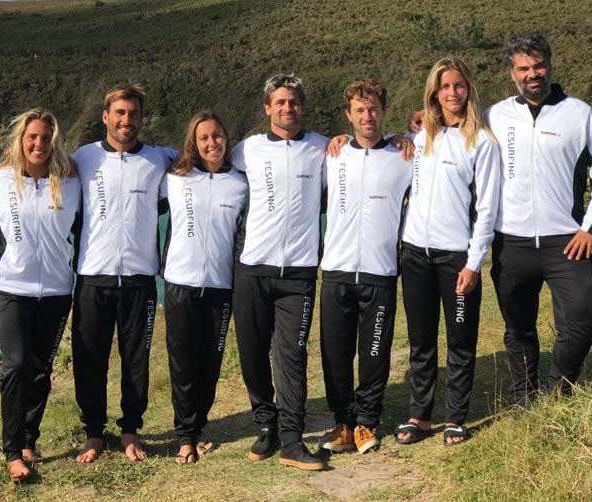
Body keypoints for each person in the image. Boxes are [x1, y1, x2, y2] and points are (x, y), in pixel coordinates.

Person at [485, 34, 592, 407]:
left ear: (550, 63)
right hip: (511, 242)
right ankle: (523, 397)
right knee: (518, 327)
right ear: (512, 72)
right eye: (524, 68)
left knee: (584, 313)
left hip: (566, 241)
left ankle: (557, 391)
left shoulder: (580, 114)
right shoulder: (495, 115)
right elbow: (452, 137)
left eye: (538, 64)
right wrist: (408, 135)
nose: (533, 74)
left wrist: (590, 227)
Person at [394, 57, 500, 447]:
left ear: (468, 89)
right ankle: (419, 416)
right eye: (445, 86)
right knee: (421, 339)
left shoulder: (482, 142)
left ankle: (456, 417)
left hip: (456, 257)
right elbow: (390, 145)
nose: (452, 92)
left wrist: (474, 264)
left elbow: (488, 208)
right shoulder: (422, 136)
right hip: (415, 255)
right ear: (434, 93)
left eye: (459, 85)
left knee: (460, 339)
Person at [71, 84, 177, 463]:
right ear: (106, 117)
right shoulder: (82, 158)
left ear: (141, 118)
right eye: (119, 113)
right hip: (92, 277)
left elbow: (203, 158)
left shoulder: (159, 159)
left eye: (133, 113)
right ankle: (94, 433)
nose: (126, 120)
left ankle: (131, 429)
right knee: (89, 360)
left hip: (139, 279)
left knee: (136, 359)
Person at [232, 74, 328, 471]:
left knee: (291, 353)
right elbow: (202, 156)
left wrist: (404, 136)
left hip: (299, 273)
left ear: (302, 108)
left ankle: (291, 438)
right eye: (280, 102)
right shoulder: (246, 149)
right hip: (252, 268)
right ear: (267, 108)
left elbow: (366, 147)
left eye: (294, 102)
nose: (287, 108)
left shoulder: (323, 147)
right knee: (252, 353)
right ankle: (266, 426)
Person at [0, 108, 81, 481]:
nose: (39, 144)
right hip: (10, 289)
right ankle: (12, 451)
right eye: (32, 138)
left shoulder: (72, 183)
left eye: (46, 138)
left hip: (56, 290)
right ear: (21, 141)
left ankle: (28, 439)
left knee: (40, 370)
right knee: (17, 365)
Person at [318, 80, 413, 455]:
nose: (367, 115)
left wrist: (406, 134)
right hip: (337, 270)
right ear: (348, 116)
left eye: (372, 108)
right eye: (359, 110)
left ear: (383, 111)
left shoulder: (404, 157)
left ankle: (367, 422)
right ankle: (343, 422)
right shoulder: (332, 154)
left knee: (375, 352)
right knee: (335, 352)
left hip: (379, 272)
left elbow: (426, 134)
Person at [160, 111, 248, 464]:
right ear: (193, 144)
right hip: (180, 283)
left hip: (220, 286)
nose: (212, 143)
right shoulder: (175, 177)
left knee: (209, 365)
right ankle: (183, 436)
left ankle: (198, 430)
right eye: (204, 138)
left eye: (217, 136)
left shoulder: (241, 183)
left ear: (227, 138)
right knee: (182, 364)